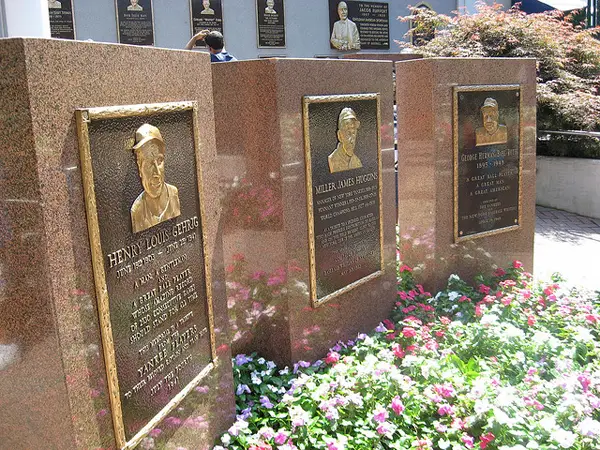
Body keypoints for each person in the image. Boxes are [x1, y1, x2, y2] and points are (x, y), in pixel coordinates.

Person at [131, 124, 181, 233]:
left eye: (159, 161)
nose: (157, 172)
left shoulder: (174, 194)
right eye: (149, 163)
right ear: (139, 168)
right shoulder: (137, 211)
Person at [328, 107, 363, 173]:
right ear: (339, 135)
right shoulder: (333, 159)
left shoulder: (357, 162)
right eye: (348, 133)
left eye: (353, 133)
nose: (351, 139)